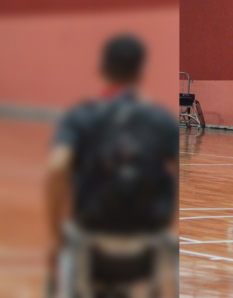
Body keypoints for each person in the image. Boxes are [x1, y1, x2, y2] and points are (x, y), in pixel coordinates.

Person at [46, 34, 178, 297]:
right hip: (146, 243)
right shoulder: (161, 120)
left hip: (91, 240)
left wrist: (55, 235)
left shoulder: (82, 116)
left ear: (102, 68)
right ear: (141, 72)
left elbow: (58, 168)